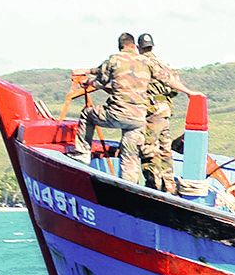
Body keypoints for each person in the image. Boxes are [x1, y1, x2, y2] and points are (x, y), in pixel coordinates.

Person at [67, 33, 150, 183]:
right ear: (134, 46)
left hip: (117, 113)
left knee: (87, 114)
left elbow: (102, 79)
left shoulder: (115, 59)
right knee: (129, 153)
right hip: (138, 119)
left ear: (120, 46)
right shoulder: (145, 61)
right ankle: (128, 185)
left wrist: (88, 81)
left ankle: (82, 153)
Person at [137, 33, 196, 191]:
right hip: (165, 109)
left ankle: (153, 185)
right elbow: (173, 84)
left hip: (152, 109)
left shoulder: (142, 63)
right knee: (165, 148)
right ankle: (169, 185)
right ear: (152, 46)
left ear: (138, 47)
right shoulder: (163, 64)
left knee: (149, 147)